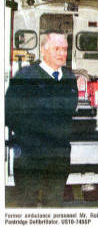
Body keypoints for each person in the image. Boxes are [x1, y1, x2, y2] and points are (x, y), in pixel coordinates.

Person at [5, 30, 78, 207]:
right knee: (27, 203)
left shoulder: (69, 77)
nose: (62, 53)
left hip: (58, 156)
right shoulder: (25, 76)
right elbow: (8, 113)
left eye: (65, 49)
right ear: (44, 50)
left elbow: (69, 109)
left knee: (54, 202)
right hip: (31, 154)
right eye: (57, 49)